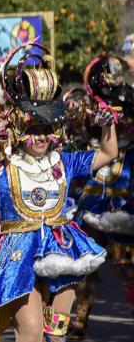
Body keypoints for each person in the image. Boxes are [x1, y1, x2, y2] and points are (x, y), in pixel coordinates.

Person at [0, 43, 114, 342]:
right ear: (20, 128)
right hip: (18, 255)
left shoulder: (66, 161)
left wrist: (108, 124)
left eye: (45, 129)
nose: (40, 137)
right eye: (33, 129)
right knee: (31, 332)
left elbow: (109, 152)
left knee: (56, 332)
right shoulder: (5, 165)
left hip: (61, 249)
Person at [69, 55, 134, 339]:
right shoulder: (93, 124)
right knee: (86, 267)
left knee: (128, 270)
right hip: (92, 206)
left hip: (125, 210)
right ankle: (79, 321)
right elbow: (75, 121)